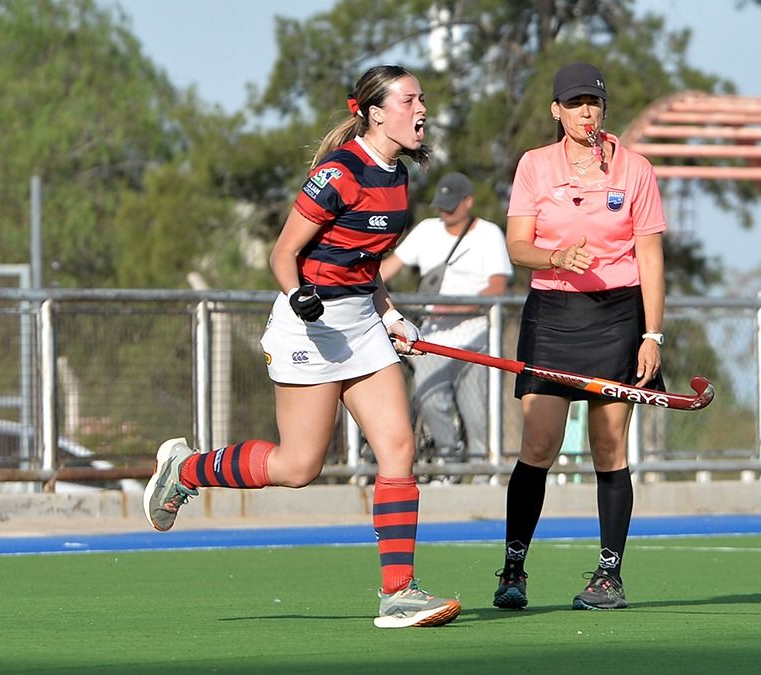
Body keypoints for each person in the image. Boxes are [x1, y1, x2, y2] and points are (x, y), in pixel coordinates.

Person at [142, 64, 461, 630]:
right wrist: (300, 296)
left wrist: (391, 315)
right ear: (374, 110)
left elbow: (366, 264)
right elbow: (282, 255)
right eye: (410, 100)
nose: (421, 111)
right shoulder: (338, 174)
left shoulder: (398, 178)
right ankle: (185, 469)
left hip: (362, 326)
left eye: (422, 101)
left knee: (398, 448)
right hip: (309, 330)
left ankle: (398, 594)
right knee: (297, 467)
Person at [492, 62, 666, 611]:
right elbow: (517, 245)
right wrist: (558, 257)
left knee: (609, 448)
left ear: (604, 108)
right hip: (552, 314)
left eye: (592, 102)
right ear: (556, 111)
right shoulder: (535, 166)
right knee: (538, 444)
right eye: (574, 103)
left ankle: (609, 575)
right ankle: (514, 568)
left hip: (618, 317)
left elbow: (651, 258)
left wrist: (652, 334)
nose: (585, 112)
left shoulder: (635, 169)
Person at [379, 172, 513, 464]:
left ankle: (482, 475)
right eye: (441, 204)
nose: (445, 211)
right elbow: (385, 270)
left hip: (476, 338)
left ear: (469, 202)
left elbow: (497, 287)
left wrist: (454, 308)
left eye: (451, 205)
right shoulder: (427, 230)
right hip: (433, 339)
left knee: (477, 414)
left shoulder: (489, 233)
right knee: (429, 398)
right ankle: (449, 462)